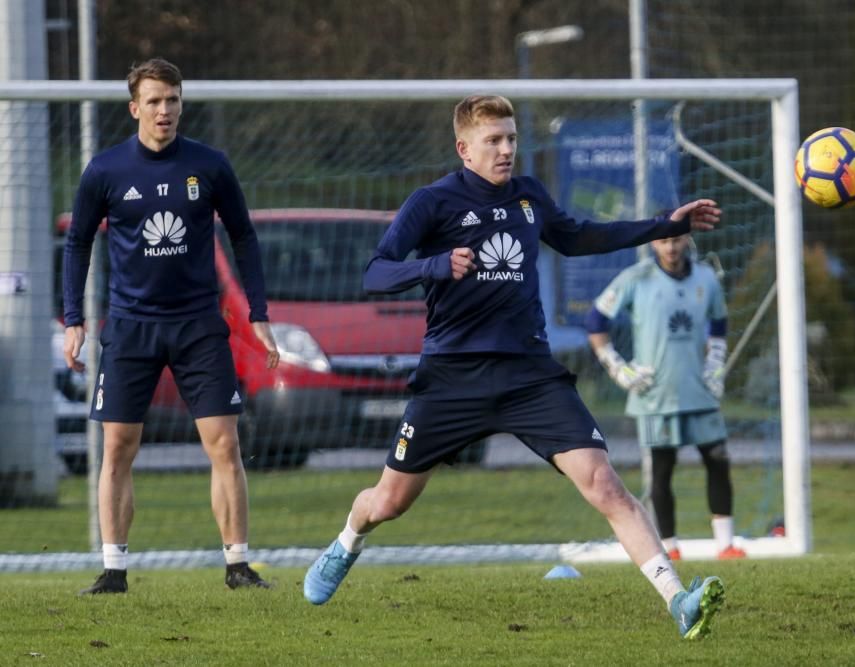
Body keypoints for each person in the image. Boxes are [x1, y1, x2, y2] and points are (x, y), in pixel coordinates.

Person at [304, 95, 726, 639]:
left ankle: (679, 601)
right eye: (493, 141)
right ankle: (345, 543)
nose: (506, 150)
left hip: (529, 374)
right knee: (388, 502)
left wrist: (660, 226)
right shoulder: (431, 202)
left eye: (511, 139)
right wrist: (437, 265)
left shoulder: (529, 196)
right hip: (452, 377)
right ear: (465, 149)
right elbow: (375, 273)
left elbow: (578, 237)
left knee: (605, 485)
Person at [63, 58, 280, 594]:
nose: (165, 110)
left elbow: (245, 237)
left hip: (198, 327)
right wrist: (74, 320)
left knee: (224, 444)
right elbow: (78, 242)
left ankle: (238, 565)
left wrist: (258, 314)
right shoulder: (106, 171)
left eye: (173, 99)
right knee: (118, 446)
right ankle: (113, 570)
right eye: (155, 100)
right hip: (131, 329)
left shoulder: (209, 166)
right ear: (135, 107)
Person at [585, 234, 747, 562]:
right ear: (653, 244)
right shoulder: (636, 278)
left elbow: (719, 321)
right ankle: (670, 547)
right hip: (655, 395)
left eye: (675, 240)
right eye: (662, 241)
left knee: (718, 461)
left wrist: (715, 360)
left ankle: (726, 545)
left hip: (699, 391)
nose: (670, 247)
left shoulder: (706, 277)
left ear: (687, 239)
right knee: (662, 471)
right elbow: (595, 321)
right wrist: (617, 367)